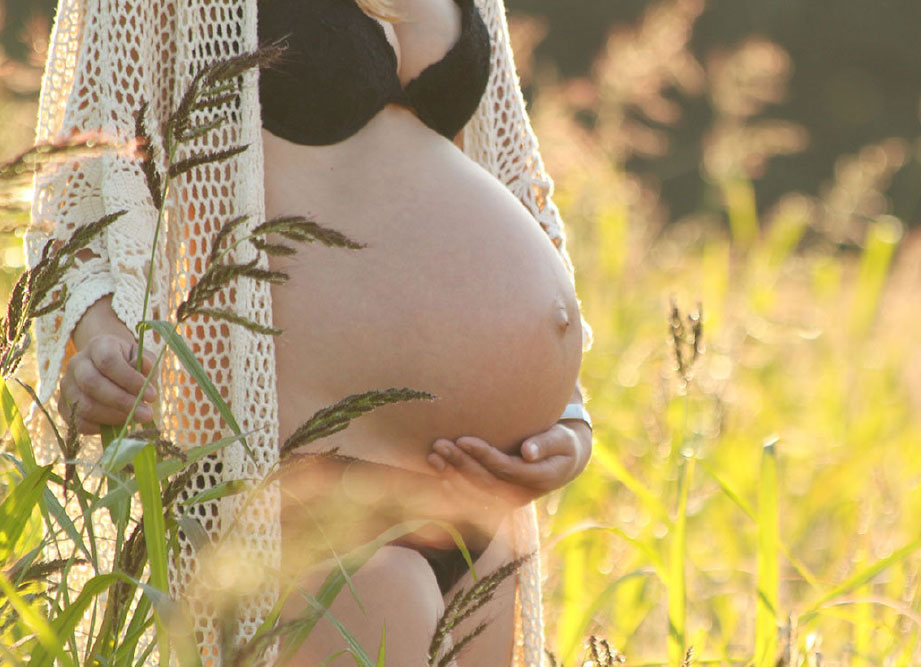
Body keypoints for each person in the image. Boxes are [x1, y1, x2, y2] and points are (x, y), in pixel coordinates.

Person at [29, 0, 592, 665]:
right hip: (304, 479)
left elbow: (512, 182)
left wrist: (566, 415)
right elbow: (77, 198)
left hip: (477, 498)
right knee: (388, 599)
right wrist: (94, 344)